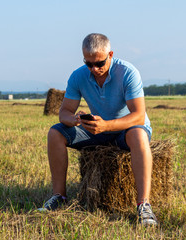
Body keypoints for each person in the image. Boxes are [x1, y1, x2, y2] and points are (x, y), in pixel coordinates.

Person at [38, 33, 158, 227]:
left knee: (138, 134)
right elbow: (64, 113)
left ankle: (143, 205)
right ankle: (59, 197)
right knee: (55, 133)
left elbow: (138, 115)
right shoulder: (78, 76)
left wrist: (107, 125)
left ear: (110, 54)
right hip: (97, 130)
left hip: (126, 130)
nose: (94, 69)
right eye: (89, 64)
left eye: (99, 63)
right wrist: (76, 119)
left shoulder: (128, 72)